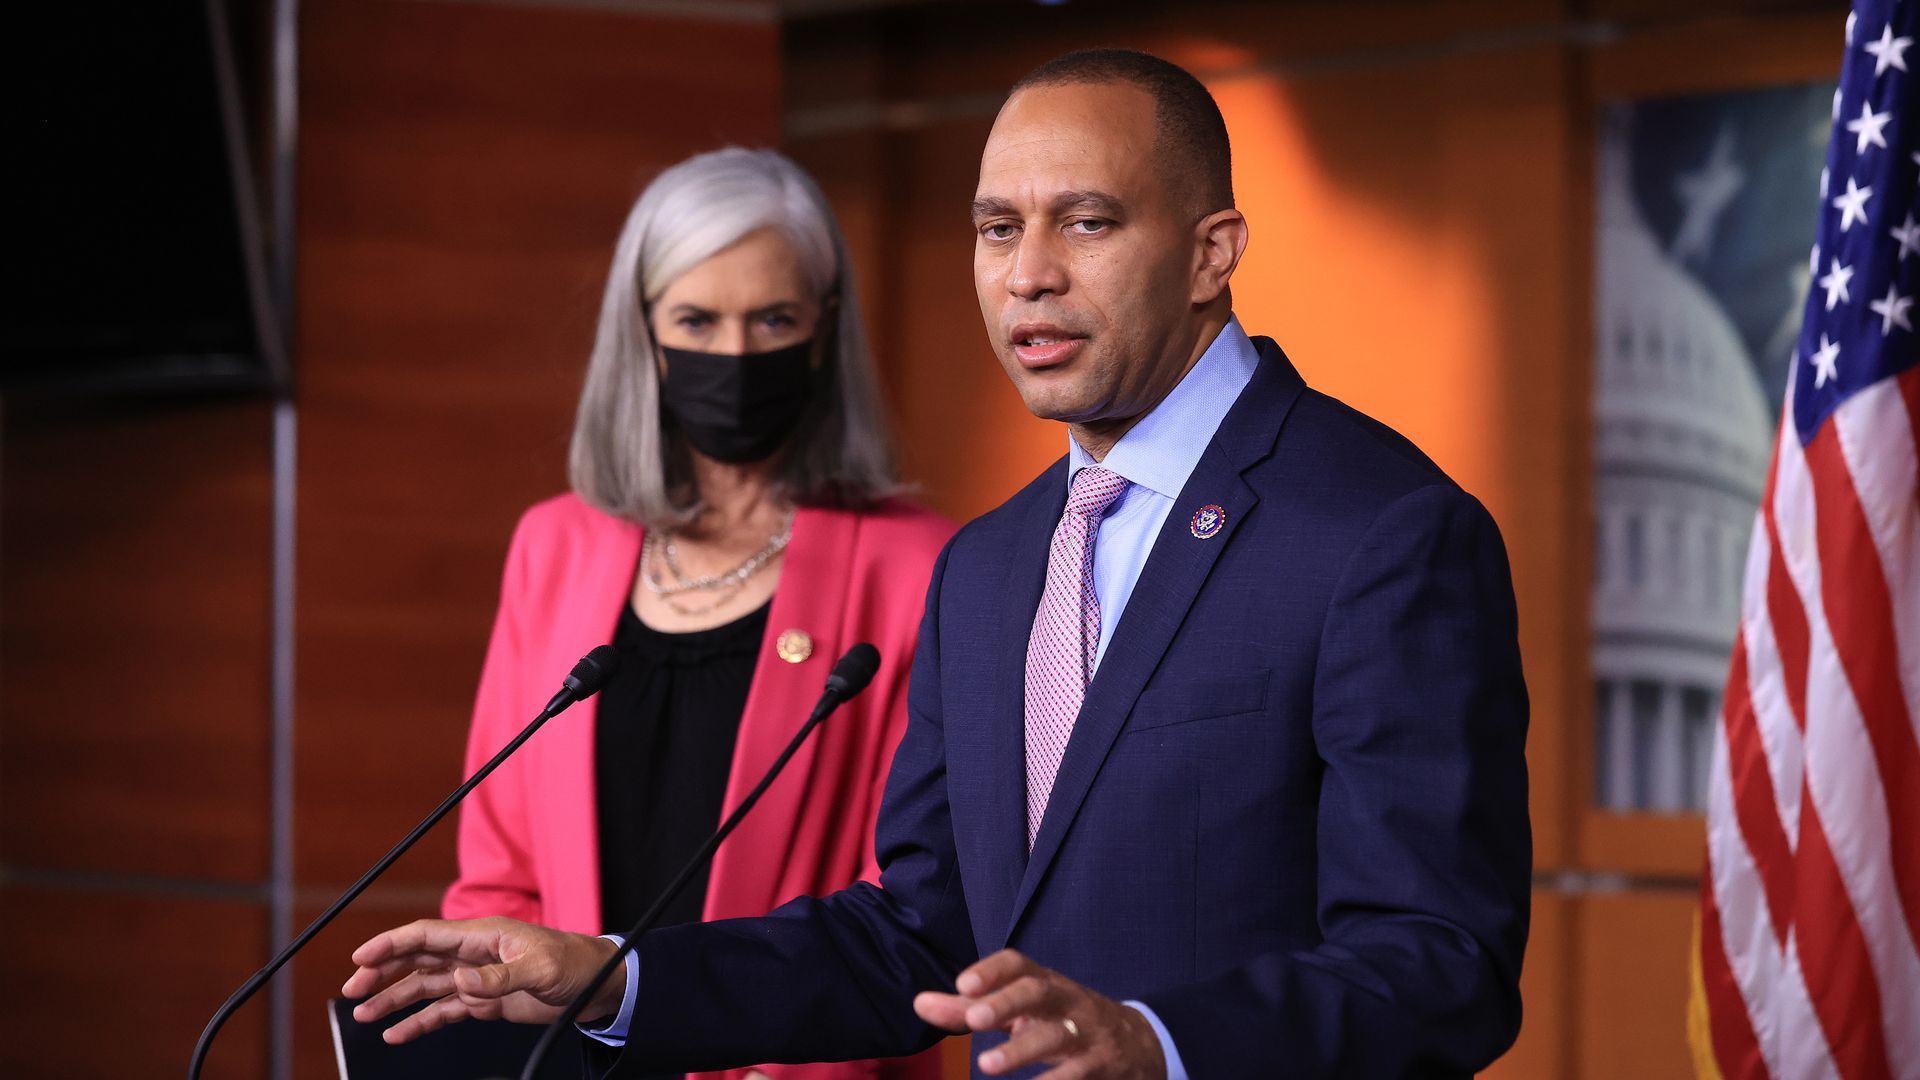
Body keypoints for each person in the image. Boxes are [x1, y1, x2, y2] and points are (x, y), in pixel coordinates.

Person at [345, 50, 1532, 1080]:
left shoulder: (1383, 531)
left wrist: (1158, 1045)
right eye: (998, 228)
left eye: (1087, 222)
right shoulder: (989, 565)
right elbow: (913, 935)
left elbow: (1441, 961)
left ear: (1211, 251)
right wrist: (615, 978)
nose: (1028, 276)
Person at [435, 147, 951, 1080]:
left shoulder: (919, 568)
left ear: (825, 329)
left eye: (774, 318)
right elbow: (499, 873)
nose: (736, 355)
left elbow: (909, 909)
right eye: (697, 320)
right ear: (643, 333)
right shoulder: (554, 546)